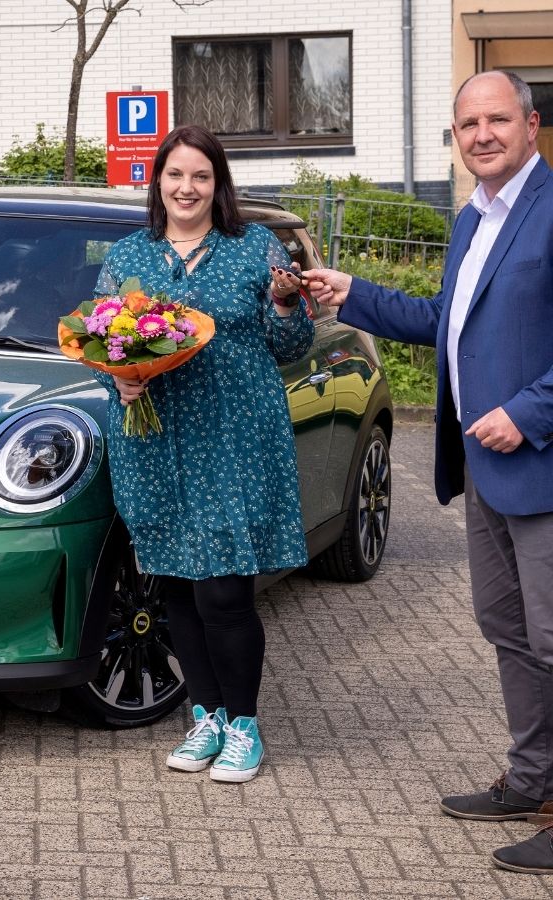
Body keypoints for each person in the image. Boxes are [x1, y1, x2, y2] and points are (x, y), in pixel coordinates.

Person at [304, 71, 553, 873]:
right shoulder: (472, 220)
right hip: (484, 470)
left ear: (532, 125)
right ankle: (531, 780)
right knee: (508, 631)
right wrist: (352, 294)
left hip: (542, 465)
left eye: (497, 120)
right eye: (467, 124)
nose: (482, 134)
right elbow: (445, 322)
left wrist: (530, 412)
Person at [94, 124, 314, 782]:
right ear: (156, 181)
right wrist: (120, 377)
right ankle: (205, 715)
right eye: (175, 175)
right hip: (153, 440)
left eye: (200, 176)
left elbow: (292, 343)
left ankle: (244, 726)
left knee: (225, 593)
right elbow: (102, 338)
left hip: (234, 439)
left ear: (218, 185)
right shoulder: (129, 255)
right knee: (178, 591)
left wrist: (283, 302)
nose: (186, 187)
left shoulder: (253, 248)